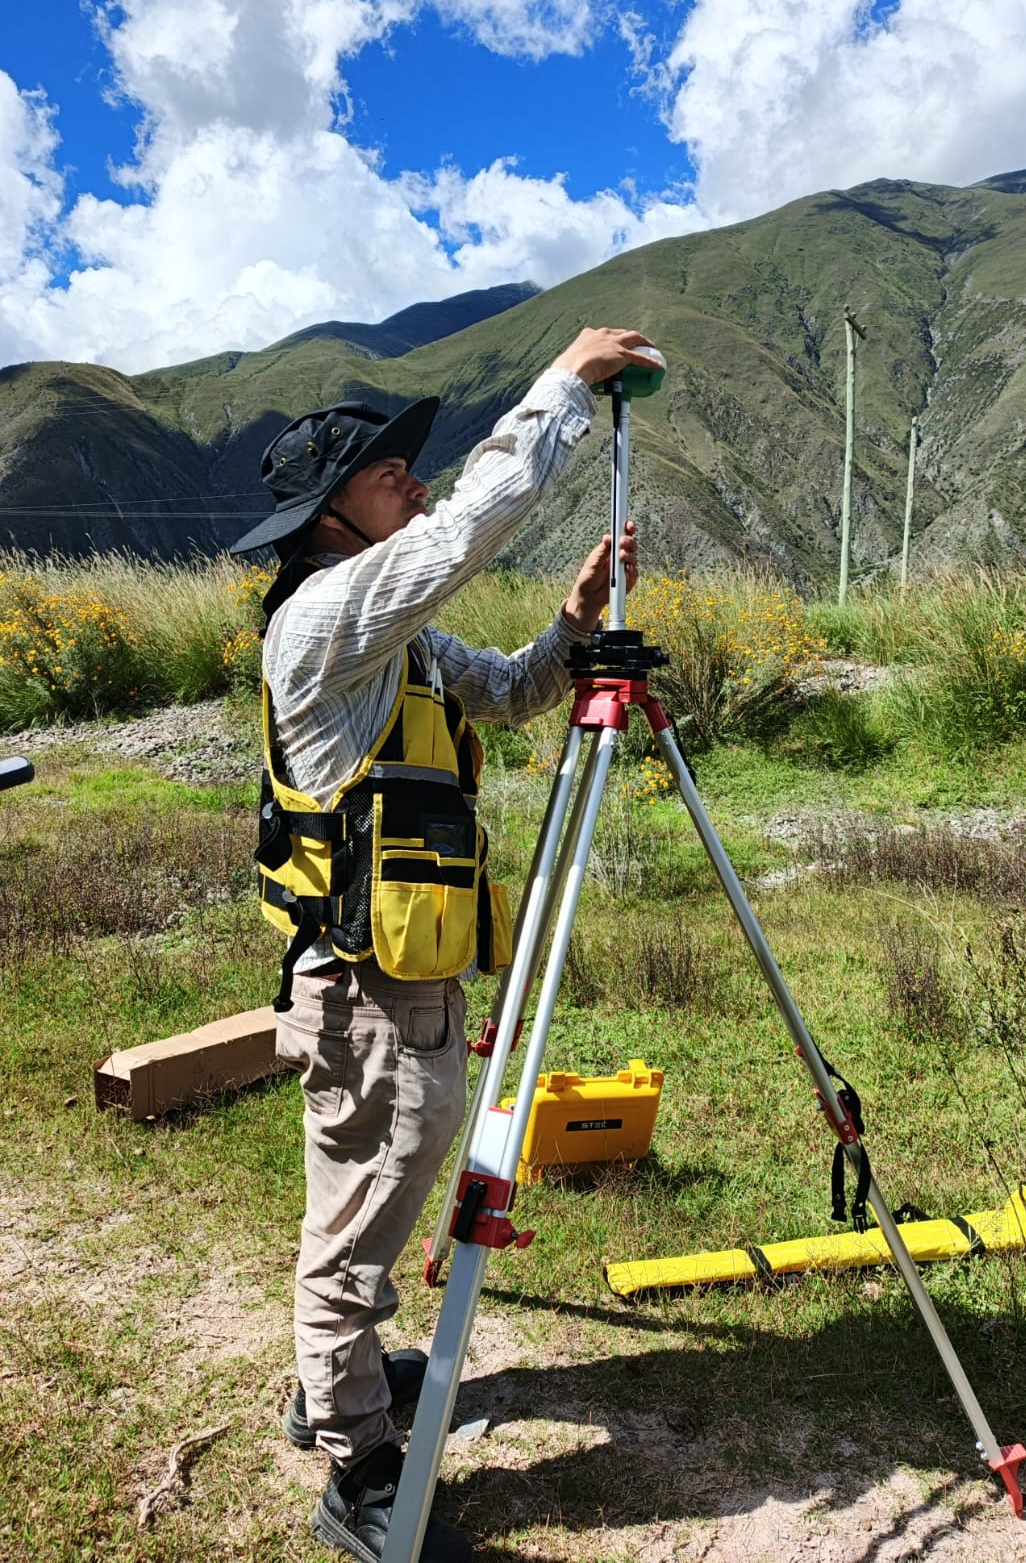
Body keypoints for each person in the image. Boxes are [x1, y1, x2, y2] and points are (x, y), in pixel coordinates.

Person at [230, 327, 656, 1563]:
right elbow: (458, 536)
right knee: (365, 1219)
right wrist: (563, 396)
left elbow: (515, 689)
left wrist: (575, 625)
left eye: (410, 467)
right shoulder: (324, 620)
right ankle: (361, 1471)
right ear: (329, 519)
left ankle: (335, 1377)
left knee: (359, 1203)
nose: (410, 481)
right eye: (387, 473)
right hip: (363, 990)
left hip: (398, 983)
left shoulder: (392, 641)